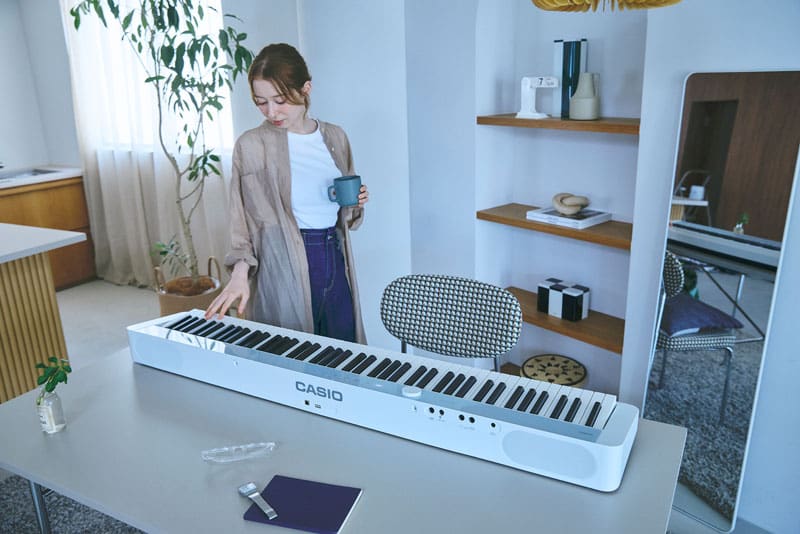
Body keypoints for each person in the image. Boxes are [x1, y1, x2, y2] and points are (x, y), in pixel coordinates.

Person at [205, 43, 368, 344]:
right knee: (291, 359)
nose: (271, 112)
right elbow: (242, 221)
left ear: (306, 88)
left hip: (333, 255)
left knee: (344, 358)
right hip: (280, 264)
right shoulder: (251, 146)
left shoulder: (335, 137)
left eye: (280, 100)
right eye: (260, 102)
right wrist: (240, 274)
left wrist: (356, 203)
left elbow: (350, 219)